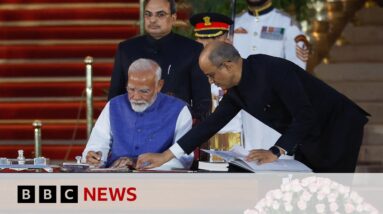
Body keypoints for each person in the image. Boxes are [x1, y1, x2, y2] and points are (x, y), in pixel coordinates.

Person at [137, 41, 369, 172]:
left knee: (333, 192)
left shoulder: (272, 70)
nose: (210, 82)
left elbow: (305, 115)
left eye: (211, 75)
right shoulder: (236, 91)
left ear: (227, 66)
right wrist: (166, 155)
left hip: (338, 126)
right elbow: (211, 125)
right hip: (308, 135)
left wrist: (276, 151)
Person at [108, 0, 211, 121]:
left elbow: (203, 101)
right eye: (148, 14)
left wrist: (188, 128)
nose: (152, 20)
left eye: (160, 14)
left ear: (173, 18)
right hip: (134, 127)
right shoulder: (126, 49)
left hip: (177, 128)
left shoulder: (192, 49)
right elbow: (115, 98)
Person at [83, 58, 193, 170]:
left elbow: (184, 157)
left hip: (159, 181)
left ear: (159, 85)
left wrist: (141, 166)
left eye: (144, 91)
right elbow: (98, 143)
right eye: (131, 89)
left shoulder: (179, 109)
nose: (135, 97)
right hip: (116, 179)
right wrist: (95, 157)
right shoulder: (114, 105)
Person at [233, 0, 310, 155]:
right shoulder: (235, 22)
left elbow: (297, 69)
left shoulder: (286, 23)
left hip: (275, 108)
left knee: (277, 165)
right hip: (239, 107)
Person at [190, 12, 243, 158]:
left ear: (227, 39)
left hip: (234, 142)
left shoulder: (234, 68)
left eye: (214, 37)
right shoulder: (189, 68)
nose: (207, 43)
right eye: (203, 37)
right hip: (198, 141)